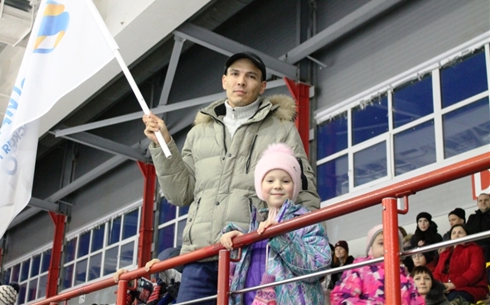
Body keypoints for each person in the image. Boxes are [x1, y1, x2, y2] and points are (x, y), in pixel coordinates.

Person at [142, 51, 320, 303]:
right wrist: (164, 144)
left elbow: (302, 188)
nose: (241, 81)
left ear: (262, 86)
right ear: (224, 80)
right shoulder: (199, 132)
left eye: (251, 76)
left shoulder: (281, 129)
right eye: (235, 74)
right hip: (199, 256)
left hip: (252, 251)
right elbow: (180, 193)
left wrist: (308, 243)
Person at [220, 143, 331, 304]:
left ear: (295, 186)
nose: (277, 186)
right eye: (270, 180)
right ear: (260, 186)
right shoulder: (255, 224)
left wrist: (281, 236)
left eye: (285, 180)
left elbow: (320, 265)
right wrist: (239, 242)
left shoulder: (305, 220)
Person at [330, 224, 423, 304]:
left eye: (394, 243)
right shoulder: (358, 270)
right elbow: (341, 298)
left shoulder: (406, 279)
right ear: (371, 249)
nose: (388, 247)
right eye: (381, 243)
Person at [433, 224, 488, 304]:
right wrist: (440, 286)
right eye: (454, 233)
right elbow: (437, 273)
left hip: (470, 288)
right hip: (446, 290)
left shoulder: (475, 249)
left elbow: (475, 271)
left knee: (449, 300)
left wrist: (454, 284)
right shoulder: (444, 253)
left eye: (460, 232)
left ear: (467, 235)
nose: (456, 235)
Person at [113, 247, 182, 305]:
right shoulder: (158, 293)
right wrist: (127, 279)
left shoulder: (187, 289)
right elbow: (146, 289)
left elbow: (175, 277)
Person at [466, 193, 490, 261]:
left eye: (486, 200)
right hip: (473, 250)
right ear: (477, 203)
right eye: (480, 200)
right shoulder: (472, 218)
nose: (483, 202)